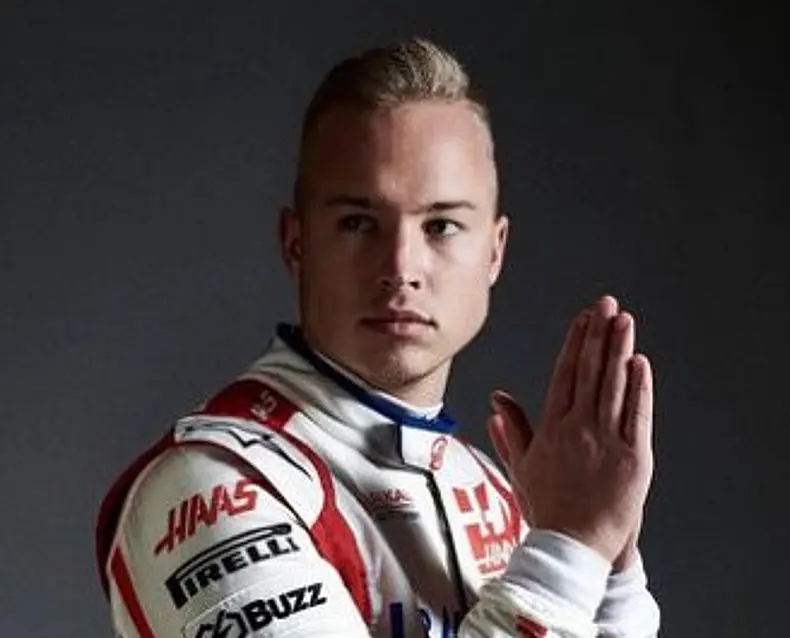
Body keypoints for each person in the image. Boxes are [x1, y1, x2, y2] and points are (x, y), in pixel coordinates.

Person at [95, 37, 660, 637]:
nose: (401, 267)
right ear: (297, 243)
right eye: (359, 223)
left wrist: (611, 567)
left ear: (494, 252)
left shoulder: (496, 491)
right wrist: (568, 550)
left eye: (441, 225)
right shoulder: (212, 483)